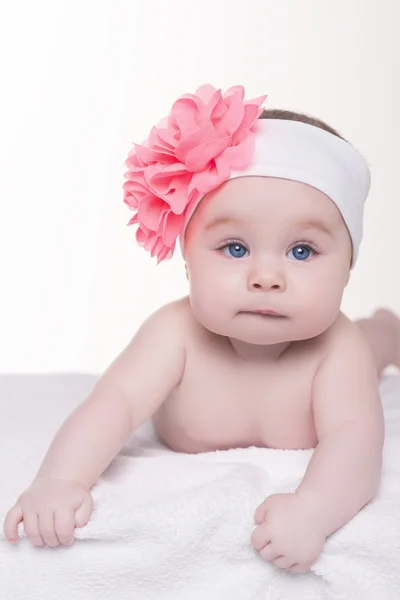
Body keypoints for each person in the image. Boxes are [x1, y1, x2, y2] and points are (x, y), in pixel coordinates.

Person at [3, 85, 399, 574]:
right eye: (235, 248)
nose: (266, 277)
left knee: (371, 342)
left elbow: (355, 439)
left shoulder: (338, 349)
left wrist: (314, 509)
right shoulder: (176, 333)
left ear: (348, 267)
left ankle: (387, 329)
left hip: (358, 343)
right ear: (187, 258)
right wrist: (61, 480)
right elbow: (116, 403)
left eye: (302, 251)